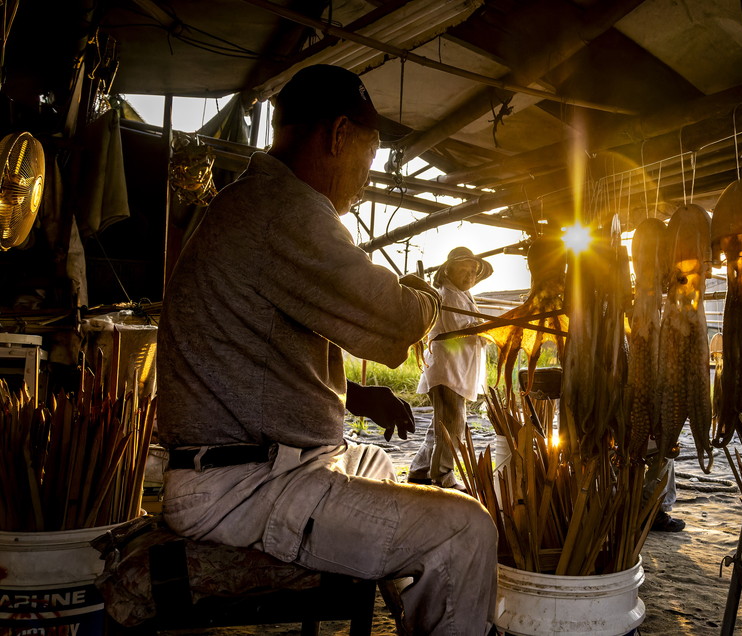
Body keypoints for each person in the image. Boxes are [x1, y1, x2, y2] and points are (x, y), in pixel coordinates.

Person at [156, 64, 498, 636]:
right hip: (246, 488)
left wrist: (358, 398)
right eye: (369, 157)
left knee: (379, 464)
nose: (366, 177)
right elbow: (393, 320)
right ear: (338, 135)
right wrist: (423, 294)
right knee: (467, 530)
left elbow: (265, 353)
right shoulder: (285, 209)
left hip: (268, 466)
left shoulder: (257, 204)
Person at [408, 246, 493, 490]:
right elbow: (464, 329)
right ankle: (444, 478)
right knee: (453, 426)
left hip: (454, 370)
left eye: (473, 271)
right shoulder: (449, 294)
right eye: (463, 270)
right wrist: (491, 327)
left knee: (440, 427)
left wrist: (484, 325)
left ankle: (419, 471)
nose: (469, 276)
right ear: (449, 271)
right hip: (448, 371)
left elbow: (471, 325)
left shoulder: (462, 294)